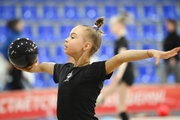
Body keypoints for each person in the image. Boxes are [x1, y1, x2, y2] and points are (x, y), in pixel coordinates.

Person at [15, 18, 180, 120]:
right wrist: (25, 67)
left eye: (72, 37)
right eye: (68, 36)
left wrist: (151, 52)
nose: (66, 39)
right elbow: (41, 67)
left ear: (86, 46)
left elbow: (121, 57)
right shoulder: (63, 69)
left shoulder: (94, 71)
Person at [96, 13, 134, 120]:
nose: (111, 27)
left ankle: (96, 103)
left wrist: (119, 74)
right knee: (120, 107)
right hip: (123, 74)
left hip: (125, 74)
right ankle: (97, 102)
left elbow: (124, 59)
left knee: (121, 107)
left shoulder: (122, 40)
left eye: (113, 25)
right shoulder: (119, 40)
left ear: (121, 25)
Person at [1, 19, 25, 90]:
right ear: (15, 26)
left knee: (18, 76)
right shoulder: (12, 36)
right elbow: (7, 50)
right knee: (14, 78)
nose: (22, 26)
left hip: (18, 60)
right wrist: (9, 61)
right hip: (11, 60)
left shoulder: (19, 35)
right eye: (20, 24)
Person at [163, 19, 180, 83]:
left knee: (178, 69)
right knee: (162, 71)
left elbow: (178, 49)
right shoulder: (166, 38)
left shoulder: (177, 38)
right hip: (166, 61)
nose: (167, 26)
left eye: (169, 25)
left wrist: (174, 58)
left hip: (175, 60)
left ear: (174, 26)